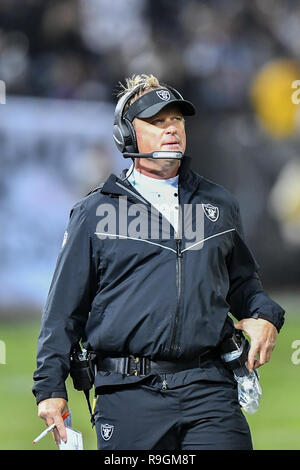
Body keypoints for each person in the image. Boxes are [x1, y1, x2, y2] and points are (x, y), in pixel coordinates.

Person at [33, 73, 285, 450]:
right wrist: (49, 387)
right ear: (127, 134)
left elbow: (243, 285)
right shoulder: (95, 212)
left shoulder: (218, 204)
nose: (171, 130)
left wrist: (265, 315)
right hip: (128, 395)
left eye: (176, 120)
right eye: (156, 121)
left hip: (210, 390)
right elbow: (63, 310)